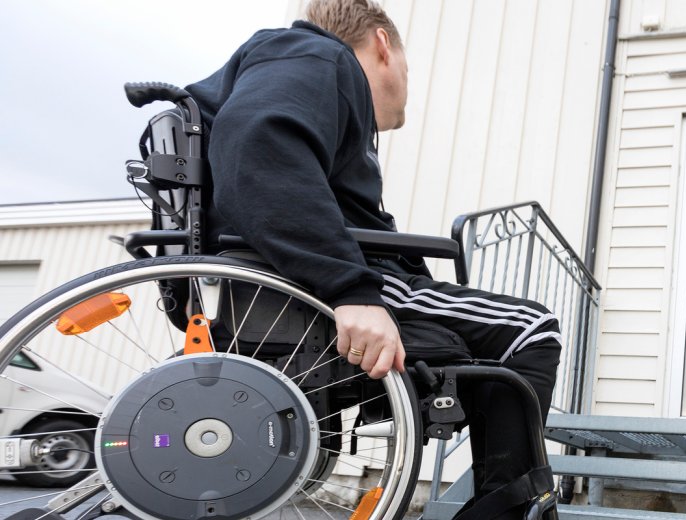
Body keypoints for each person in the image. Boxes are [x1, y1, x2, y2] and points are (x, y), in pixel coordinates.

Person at [184, 1, 561, 518]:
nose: (406, 82)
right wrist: (351, 291)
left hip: (294, 275)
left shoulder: (301, 70)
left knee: (489, 351)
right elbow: (258, 145)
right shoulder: (317, 55)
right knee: (530, 330)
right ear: (383, 45)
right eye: (406, 66)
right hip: (308, 283)